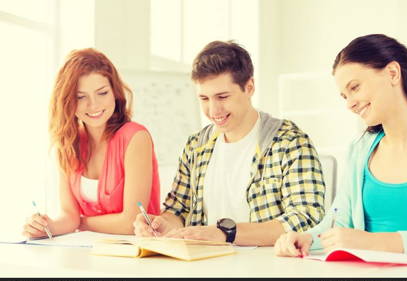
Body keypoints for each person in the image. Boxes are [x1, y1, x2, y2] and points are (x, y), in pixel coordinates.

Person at [275, 34, 407, 257]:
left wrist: (372, 242)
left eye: (355, 88)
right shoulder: (360, 150)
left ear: (392, 73)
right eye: (344, 96)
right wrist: (307, 239)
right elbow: (338, 220)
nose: (350, 104)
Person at [133, 41, 325, 246]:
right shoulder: (196, 146)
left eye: (222, 97)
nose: (213, 110)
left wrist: (226, 233)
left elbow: (306, 218)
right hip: (203, 265)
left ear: (249, 87)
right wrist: (164, 223)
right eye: (204, 98)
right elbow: (178, 209)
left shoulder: (290, 143)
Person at [23, 48, 161, 237]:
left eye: (102, 93)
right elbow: (68, 215)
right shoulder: (68, 143)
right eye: (81, 97)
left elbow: (132, 222)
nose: (94, 105)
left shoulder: (135, 137)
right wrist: (47, 227)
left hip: (136, 256)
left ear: (114, 92)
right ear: (67, 101)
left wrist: (79, 223)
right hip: (87, 253)